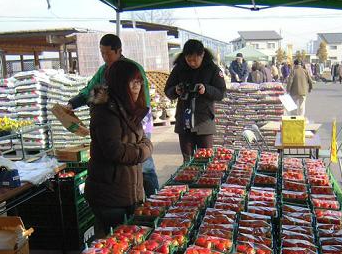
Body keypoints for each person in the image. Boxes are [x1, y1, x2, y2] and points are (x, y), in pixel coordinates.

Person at [66, 34, 159, 196]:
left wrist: (135, 125)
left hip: (139, 118)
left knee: (145, 165)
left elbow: (143, 100)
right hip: (119, 121)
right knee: (128, 161)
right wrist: (72, 103)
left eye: (108, 53)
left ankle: (154, 197)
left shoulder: (132, 68)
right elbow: (90, 90)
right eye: (102, 53)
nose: (105, 57)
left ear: (119, 51)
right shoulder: (103, 72)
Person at [84, 59, 153, 236]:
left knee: (128, 240)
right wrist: (142, 151)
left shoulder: (129, 109)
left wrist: (141, 149)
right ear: (119, 83)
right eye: (132, 82)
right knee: (113, 245)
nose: (137, 86)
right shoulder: (105, 112)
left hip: (128, 191)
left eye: (139, 82)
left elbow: (145, 141)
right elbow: (115, 151)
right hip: (109, 195)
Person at [165, 39, 226, 162]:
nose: (192, 63)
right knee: (188, 160)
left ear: (202, 54)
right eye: (189, 60)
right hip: (183, 121)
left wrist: (206, 89)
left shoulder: (213, 69)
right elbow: (168, 91)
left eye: (195, 59)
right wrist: (176, 90)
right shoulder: (179, 68)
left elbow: (221, 93)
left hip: (204, 121)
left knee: (206, 158)